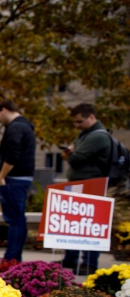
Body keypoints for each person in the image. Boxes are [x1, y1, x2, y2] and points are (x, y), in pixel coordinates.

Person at [61, 103, 113, 274]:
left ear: (92, 117)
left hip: (92, 184)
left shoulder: (98, 136)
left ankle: (89, 263)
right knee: (74, 222)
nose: (77, 126)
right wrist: (70, 153)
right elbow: (71, 153)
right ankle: (71, 258)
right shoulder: (84, 135)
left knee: (90, 224)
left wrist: (71, 154)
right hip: (79, 184)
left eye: (80, 121)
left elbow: (76, 159)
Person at [0, 99, 36, 262]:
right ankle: (14, 256)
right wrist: (0, 147)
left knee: (14, 219)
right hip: (23, 177)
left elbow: (14, 155)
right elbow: (15, 149)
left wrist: (1, 176)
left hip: (13, 179)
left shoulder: (14, 127)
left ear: (4, 110)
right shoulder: (25, 126)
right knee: (18, 218)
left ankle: (11, 258)